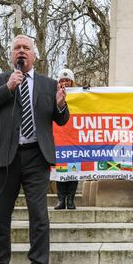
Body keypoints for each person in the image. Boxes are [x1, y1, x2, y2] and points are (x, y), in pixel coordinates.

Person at [0, 34, 70, 264]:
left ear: (35, 55)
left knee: (39, 216)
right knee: (0, 217)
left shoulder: (49, 85)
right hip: (4, 158)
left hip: (36, 158)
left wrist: (61, 106)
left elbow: (61, 120)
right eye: (17, 47)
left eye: (26, 47)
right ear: (11, 55)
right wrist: (7, 87)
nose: (21, 51)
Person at [54, 68, 78, 210]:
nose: (64, 83)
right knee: (60, 169)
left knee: (74, 170)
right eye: (62, 81)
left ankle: (71, 200)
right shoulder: (54, 94)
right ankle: (60, 200)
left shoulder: (79, 94)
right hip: (60, 137)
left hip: (74, 138)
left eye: (67, 80)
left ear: (72, 82)